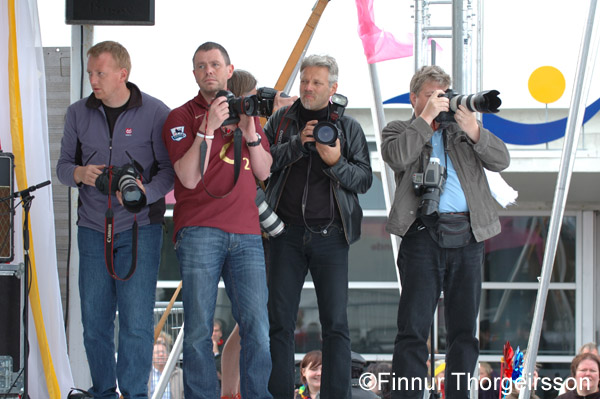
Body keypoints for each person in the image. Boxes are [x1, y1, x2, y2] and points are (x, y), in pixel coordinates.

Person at [380, 65, 510, 399]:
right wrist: (425, 120)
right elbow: (397, 157)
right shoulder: (399, 129)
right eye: (432, 96)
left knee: (464, 331)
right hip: (422, 235)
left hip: (468, 236)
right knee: (412, 329)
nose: (441, 101)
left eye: (444, 95)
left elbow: (501, 159)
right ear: (414, 98)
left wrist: (474, 129)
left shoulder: (462, 132)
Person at [57, 40, 174, 398]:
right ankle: (104, 392)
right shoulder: (77, 113)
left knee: (137, 324)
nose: (93, 79)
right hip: (92, 229)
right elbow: (62, 168)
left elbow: (169, 173)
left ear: (123, 73)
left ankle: (135, 394)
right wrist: (80, 173)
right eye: (91, 72)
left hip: (141, 230)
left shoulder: (156, 112)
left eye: (100, 72)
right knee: (94, 322)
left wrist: (142, 194)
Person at [161, 41, 272, 399]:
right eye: (201, 66)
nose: (208, 71)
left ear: (229, 70)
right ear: (194, 74)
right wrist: (207, 128)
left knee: (257, 326)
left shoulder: (246, 111)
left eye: (215, 64)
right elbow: (189, 178)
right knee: (197, 329)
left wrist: (250, 130)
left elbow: (264, 171)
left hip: (247, 232)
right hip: (199, 231)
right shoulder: (180, 117)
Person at [264, 54, 373, 399]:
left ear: (333, 88)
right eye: (305, 81)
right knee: (279, 323)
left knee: (336, 326)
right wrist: (299, 144)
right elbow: (262, 165)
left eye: (316, 83)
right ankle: (279, 394)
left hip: (331, 235)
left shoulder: (349, 127)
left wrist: (335, 161)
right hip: (285, 234)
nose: (308, 88)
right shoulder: (282, 121)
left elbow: (364, 180)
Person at [218, 69, 297, 399]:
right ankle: (234, 392)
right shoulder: (239, 129)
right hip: (251, 236)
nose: (259, 102)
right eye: (254, 96)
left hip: (256, 235)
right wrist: (277, 116)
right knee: (251, 323)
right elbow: (263, 171)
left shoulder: (254, 128)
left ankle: (232, 391)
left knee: (250, 323)